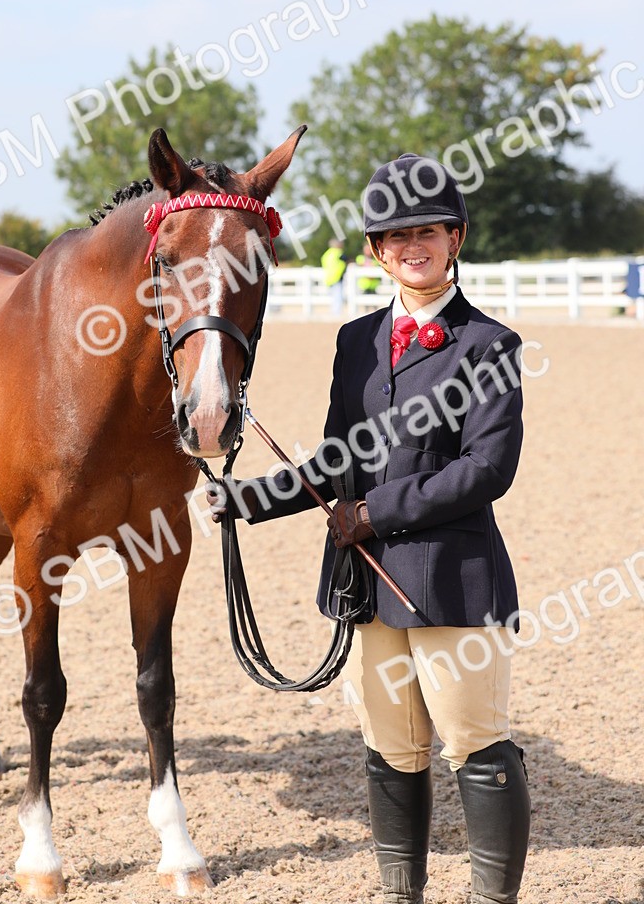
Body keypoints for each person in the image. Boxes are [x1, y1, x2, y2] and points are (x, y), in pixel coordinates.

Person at [207, 153, 530, 904]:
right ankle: (399, 893)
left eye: (427, 232)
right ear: (376, 251)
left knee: (473, 743)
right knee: (392, 746)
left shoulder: (489, 345)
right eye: (394, 236)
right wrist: (250, 501)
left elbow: (487, 469)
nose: (411, 247)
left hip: (451, 581)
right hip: (367, 586)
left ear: (455, 240)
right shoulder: (355, 340)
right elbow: (336, 460)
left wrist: (374, 512)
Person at [321, 238, 347, 316]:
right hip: (337, 277)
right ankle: (337, 313)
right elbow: (346, 259)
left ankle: (333, 311)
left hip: (329, 278)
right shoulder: (338, 252)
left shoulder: (327, 254)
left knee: (333, 297)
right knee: (338, 296)